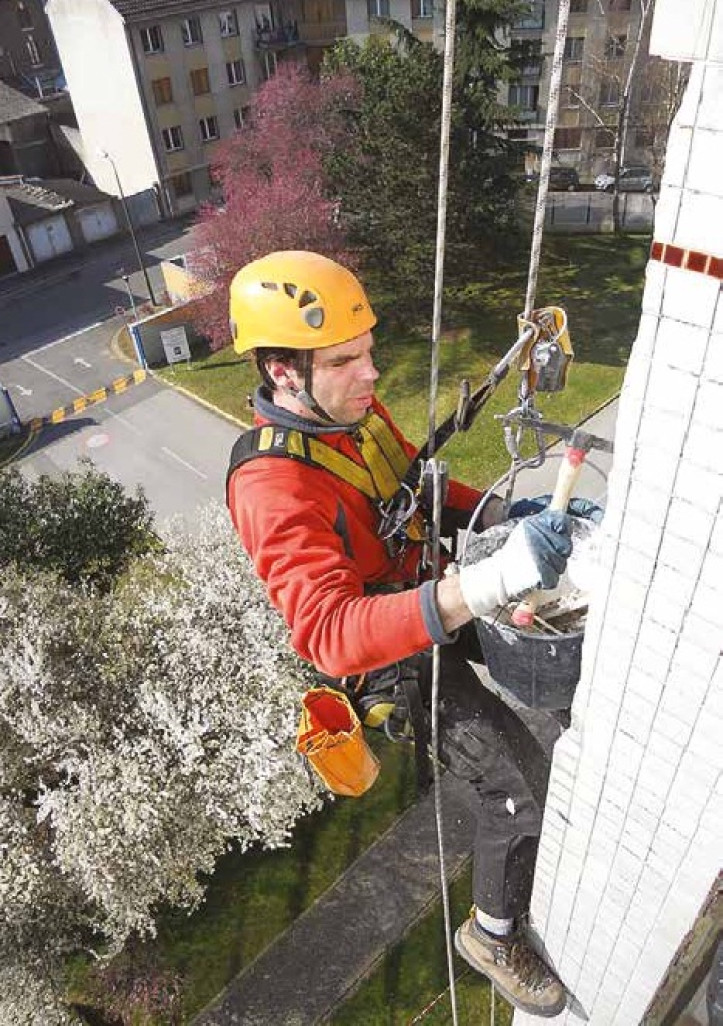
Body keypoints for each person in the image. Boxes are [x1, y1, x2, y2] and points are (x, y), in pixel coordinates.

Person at [226, 250, 573, 1017]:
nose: (372, 374)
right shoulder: (271, 487)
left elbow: (418, 489)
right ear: (285, 373)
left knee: (564, 649)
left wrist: (505, 518)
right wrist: (485, 581)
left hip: (428, 585)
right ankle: (493, 932)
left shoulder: (349, 415)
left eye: (369, 353)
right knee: (517, 789)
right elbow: (327, 632)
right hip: (388, 657)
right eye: (347, 360)